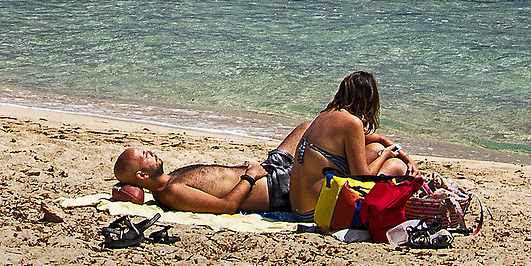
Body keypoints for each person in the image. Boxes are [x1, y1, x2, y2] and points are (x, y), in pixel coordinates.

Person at [285, 70, 413, 214]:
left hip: (298, 209)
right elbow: (362, 177)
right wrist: (385, 155)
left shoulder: (326, 115)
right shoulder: (352, 123)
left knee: (374, 148)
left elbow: (377, 139)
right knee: (396, 166)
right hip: (318, 213)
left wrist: (407, 158)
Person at [111, 146, 278, 213]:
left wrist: (237, 169)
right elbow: (227, 207)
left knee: (304, 128)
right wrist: (250, 176)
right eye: (144, 155)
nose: (151, 152)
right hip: (273, 187)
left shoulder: (172, 177)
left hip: (266, 169)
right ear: (142, 175)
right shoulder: (171, 192)